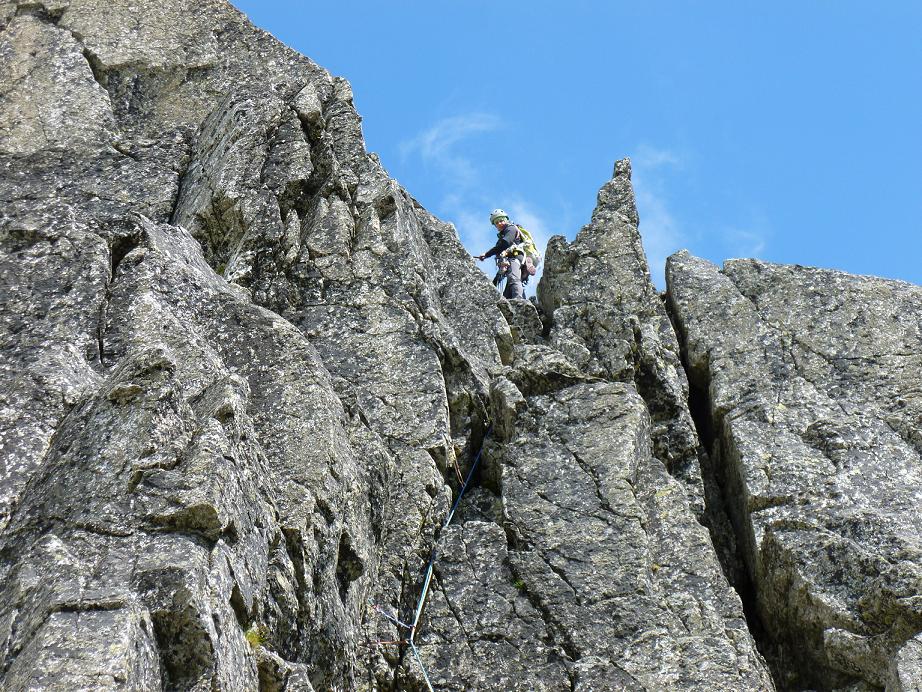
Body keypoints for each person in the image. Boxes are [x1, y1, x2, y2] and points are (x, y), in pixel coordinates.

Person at [475, 209, 527, 299]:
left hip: (514, 257)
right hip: (509, 260)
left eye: (501, 220)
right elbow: (500, 247)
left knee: (513, 279)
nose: (499, 223)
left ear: (506, 220)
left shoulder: (511, 229)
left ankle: (520, 301)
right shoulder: (502, 237)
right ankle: (513, 303)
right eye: (497, 222)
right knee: (508, 290)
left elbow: (505, 243)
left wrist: (487, 254)